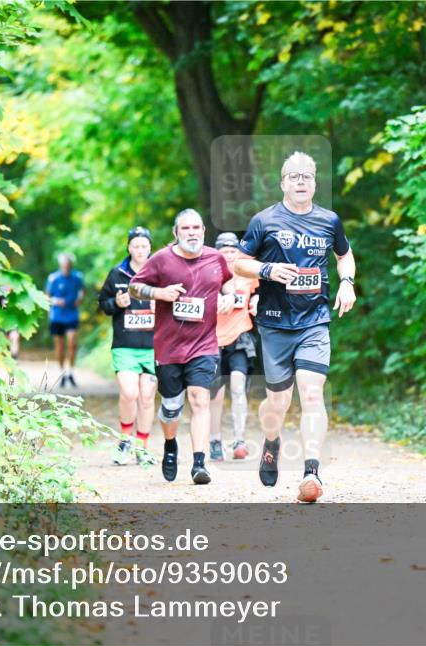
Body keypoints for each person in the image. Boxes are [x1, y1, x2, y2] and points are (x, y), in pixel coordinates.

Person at [233, 151, 357, 503]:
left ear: (315, 182)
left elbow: (344, 254)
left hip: (314, 322)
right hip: (274, 324)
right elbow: (239, 264)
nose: (301, 182)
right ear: (283, 182)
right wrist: (268, 270)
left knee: (313, 394)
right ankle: (271, 439)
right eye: (294, 176)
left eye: (308, 176)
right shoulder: (264, 220)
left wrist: (346, 281)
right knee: (278, 403)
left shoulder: (329, 221)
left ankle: (311, 473)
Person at [129, 209, 236, 485]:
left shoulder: (216, 257)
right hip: (169, 348)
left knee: (200, 399)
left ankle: (199, 464)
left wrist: (230, 296)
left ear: (203, 231)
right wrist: (159, 293)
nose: (192, 232)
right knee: (171, 408)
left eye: (197, 227)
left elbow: (228, 282)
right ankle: (170, 444)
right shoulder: (162, 260)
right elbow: (134, 287)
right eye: (186, 228)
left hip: (204, 345)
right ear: (176, 233)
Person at [98, 226, 158, 466]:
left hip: (154, 345)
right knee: (129, 393)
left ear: (150, 248)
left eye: (144, 246)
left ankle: (142, 447)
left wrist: (160, 307)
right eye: (136, 246)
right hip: (125, 345)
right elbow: (102, 304)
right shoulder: (117, 274)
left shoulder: (160, 272)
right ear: (129, 247)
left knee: (146, 397)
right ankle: (125, 440)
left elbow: (176, 300)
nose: (140, 250)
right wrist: (116, 302)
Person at [208, 232, 259, 462]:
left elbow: (262, 292)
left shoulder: (247, 274)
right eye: (224, 251)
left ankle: (239, 440)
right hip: (211, 340)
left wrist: (258, 300)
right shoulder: (208, 273)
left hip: (239, 337)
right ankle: (215, 441)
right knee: (215, 395)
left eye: (232, 251)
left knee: (238, 387)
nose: (228, 255)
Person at [46, 253, 85, 388]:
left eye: (68, 266)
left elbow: (82, 290)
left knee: (72, 342)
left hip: (72, 315)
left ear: (71, 266)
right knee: (60, 346)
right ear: (60, 266)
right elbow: (47, 297)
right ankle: (61, 373)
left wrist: (79, 299)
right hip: (57, 316)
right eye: (63, 266)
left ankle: (71, 372)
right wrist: (57, 301)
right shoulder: (53, 278)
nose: (66, 269)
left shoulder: (77, 277)